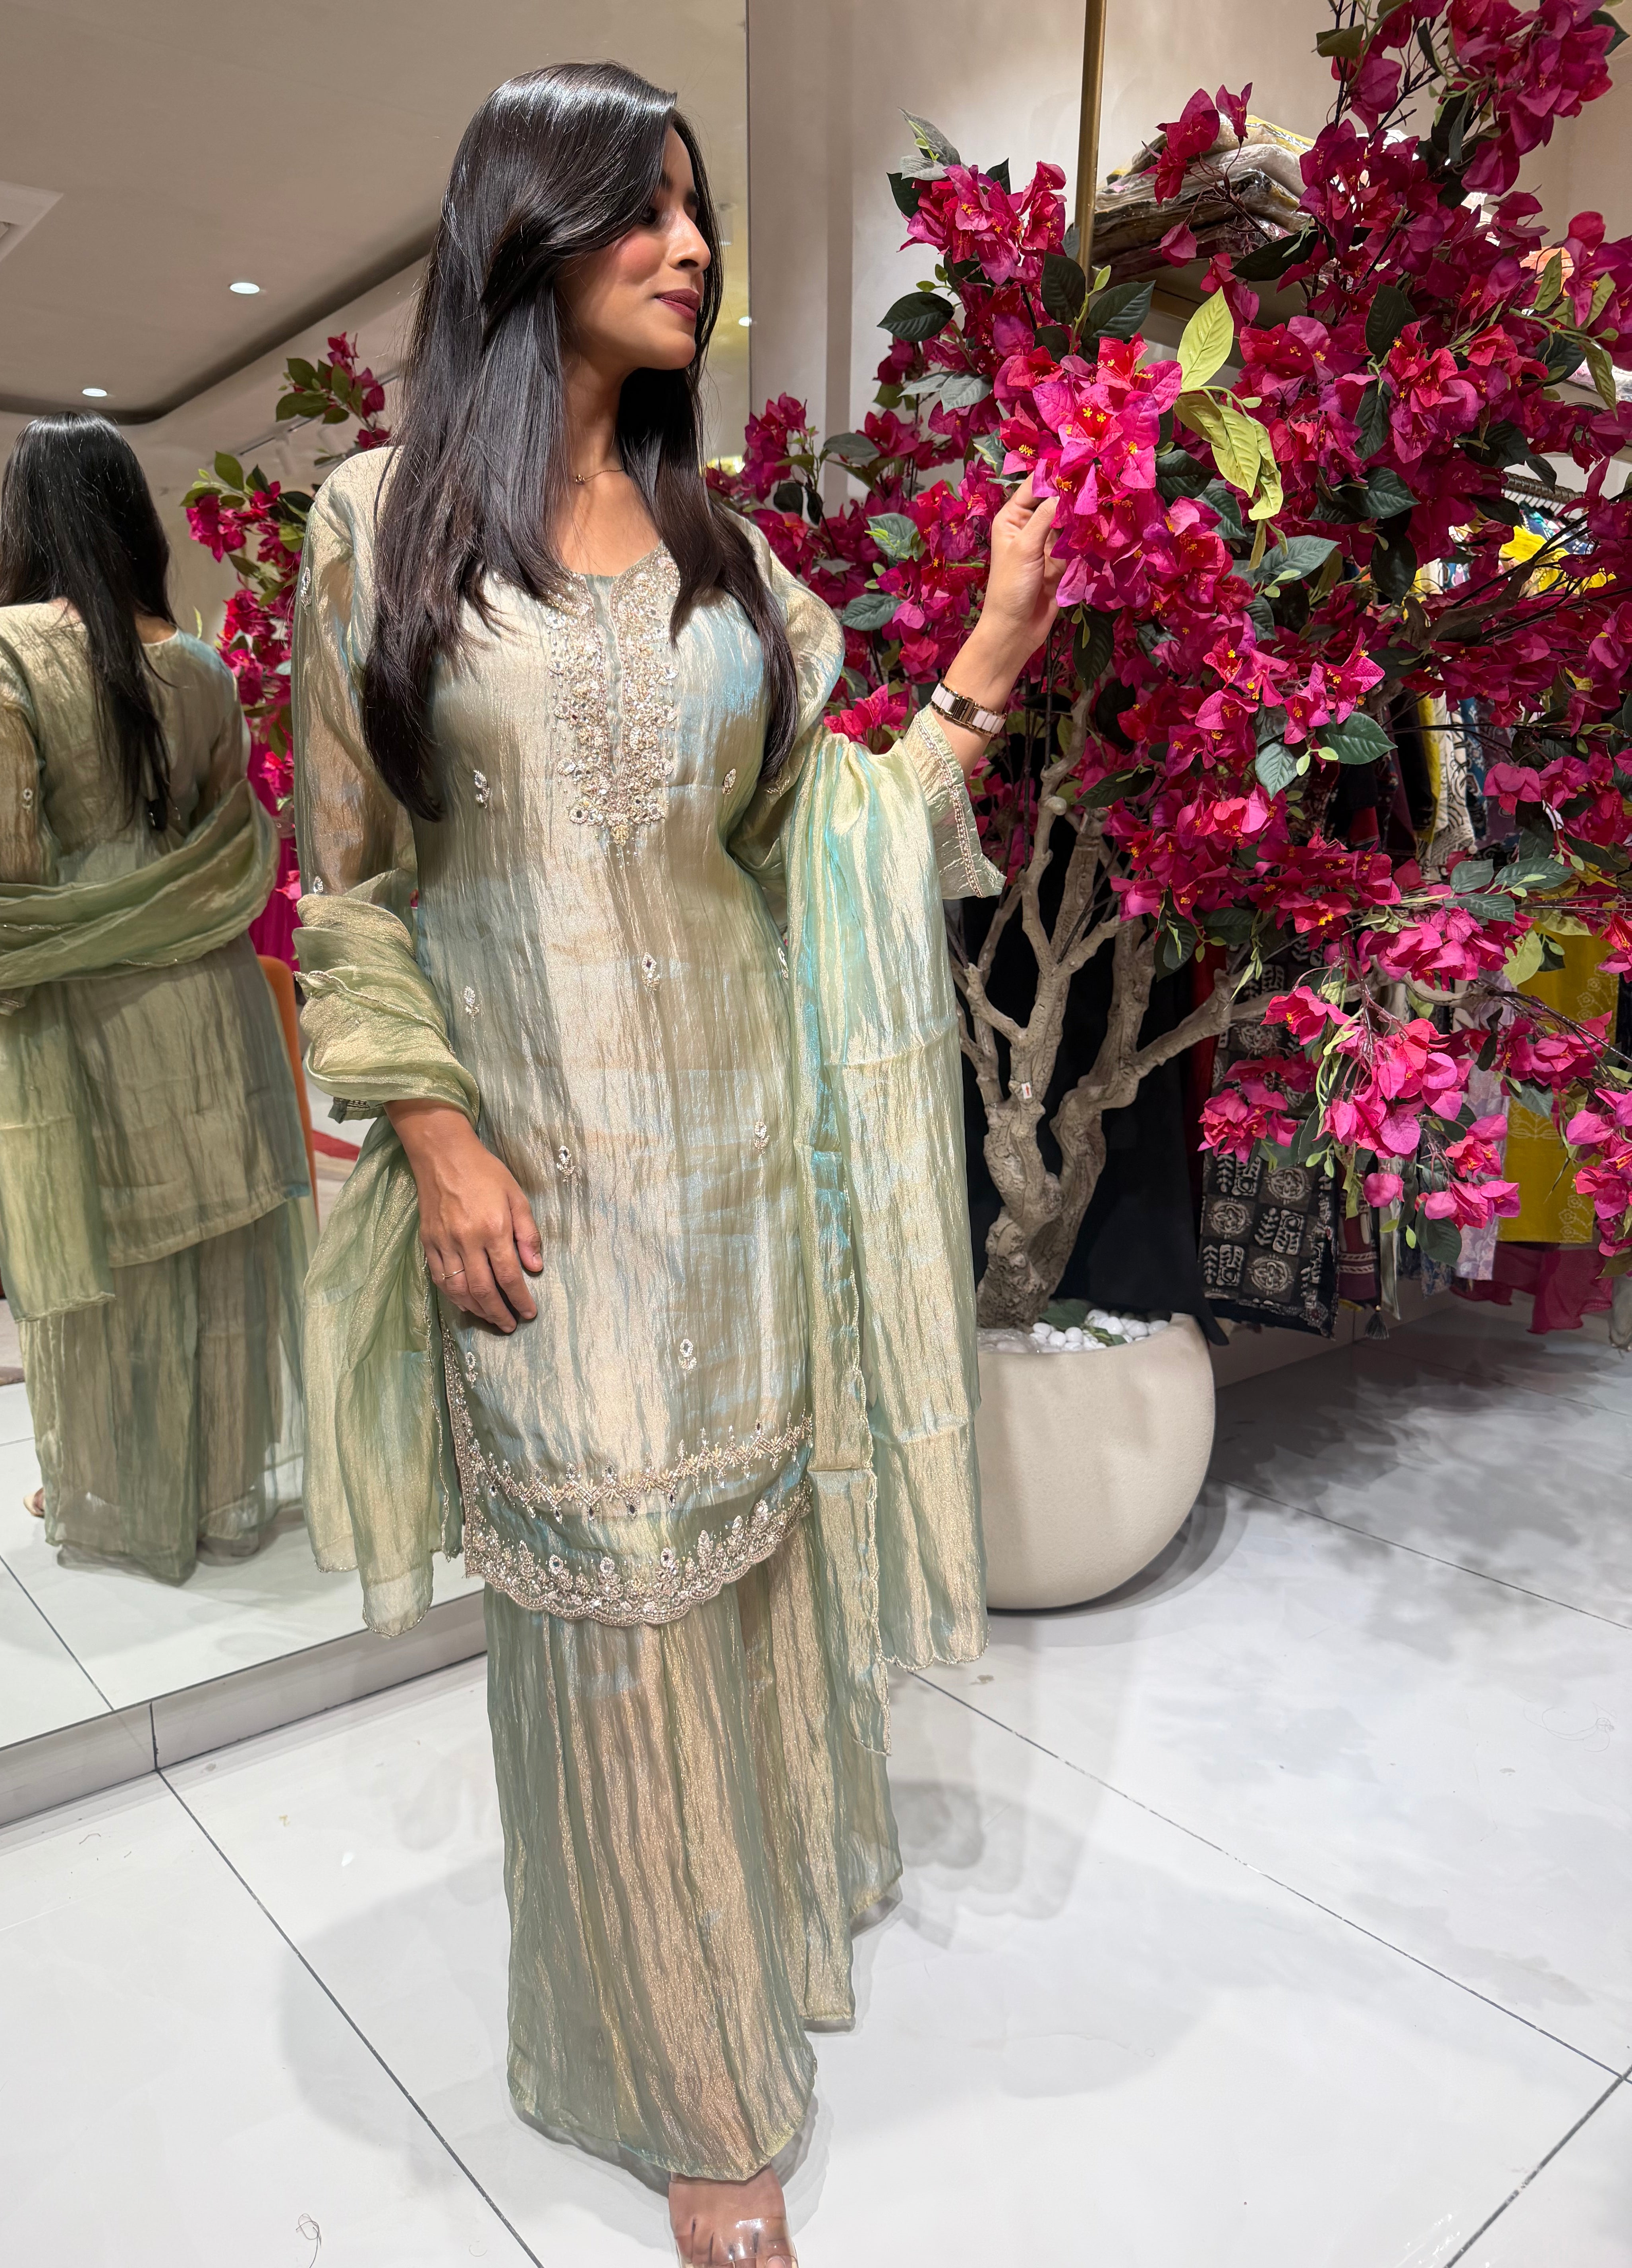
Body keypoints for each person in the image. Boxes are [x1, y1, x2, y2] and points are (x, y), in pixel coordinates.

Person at [290, 63, 1060, 2266]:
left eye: (698, 210)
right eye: (640, 208)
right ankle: (686, 2089)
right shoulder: (381, 527)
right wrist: (437, 1139)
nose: (690, 246)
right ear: (524, 235)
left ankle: (757, 1926)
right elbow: (347, 887)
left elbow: (826, 843)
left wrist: (991, 654)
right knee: (612, 1622)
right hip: (543, 1192)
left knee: (737, 1586)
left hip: (744, 1189)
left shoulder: (735, 568)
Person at [0, 414, 311, 1583]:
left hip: (85, 999)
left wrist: (0, 988)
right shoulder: (199, 666)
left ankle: (117, 1486)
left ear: (27, 518)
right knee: (213, 1241)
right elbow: (228, 838)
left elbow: (9, 870)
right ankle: (215, 1484)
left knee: (104, 1242)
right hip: (210, 996)